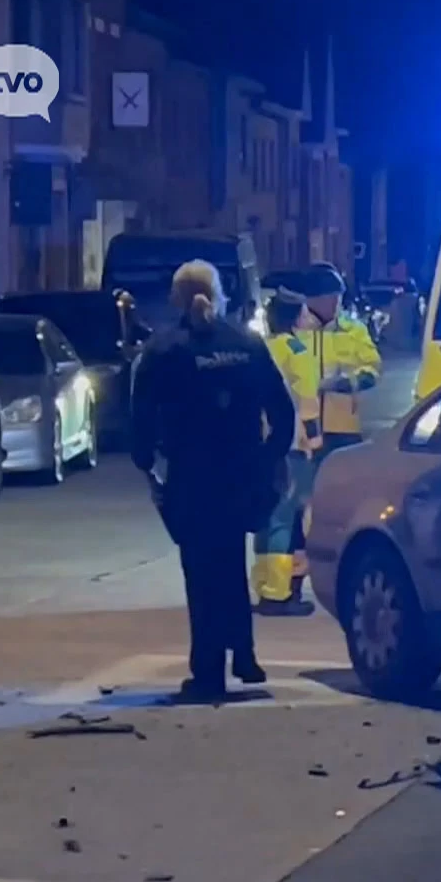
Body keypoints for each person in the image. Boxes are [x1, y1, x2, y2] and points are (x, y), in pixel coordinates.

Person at [129, 260, 295, 698]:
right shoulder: (247, 344)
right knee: (230, 564)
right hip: (241, 473)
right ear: (219, 294)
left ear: (175, 298)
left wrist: (145, 462)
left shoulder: (165, 351)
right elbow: (282, 410)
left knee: (202, 573)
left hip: (191, 476)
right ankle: (244, 654)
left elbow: (142, 417)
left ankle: (208, 670)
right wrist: (270, 457)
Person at [251, 283, 324, 617]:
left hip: (258, 443)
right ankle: (280, 594)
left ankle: (265, 586)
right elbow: (308, 402)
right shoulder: (297, 352)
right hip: (292, 442)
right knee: (285, 514)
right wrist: (314, 440)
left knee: (265, 516)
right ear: (296, 317)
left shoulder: (260, 348)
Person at [300, 263, 382, 458]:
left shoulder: (353, 330)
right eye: (331, 299)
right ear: (313, 300)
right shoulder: (294, 332)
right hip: (301, 428)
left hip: (343, 428)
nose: (337, 304)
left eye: (338, 298)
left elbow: (373, 367)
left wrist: (347, 382)